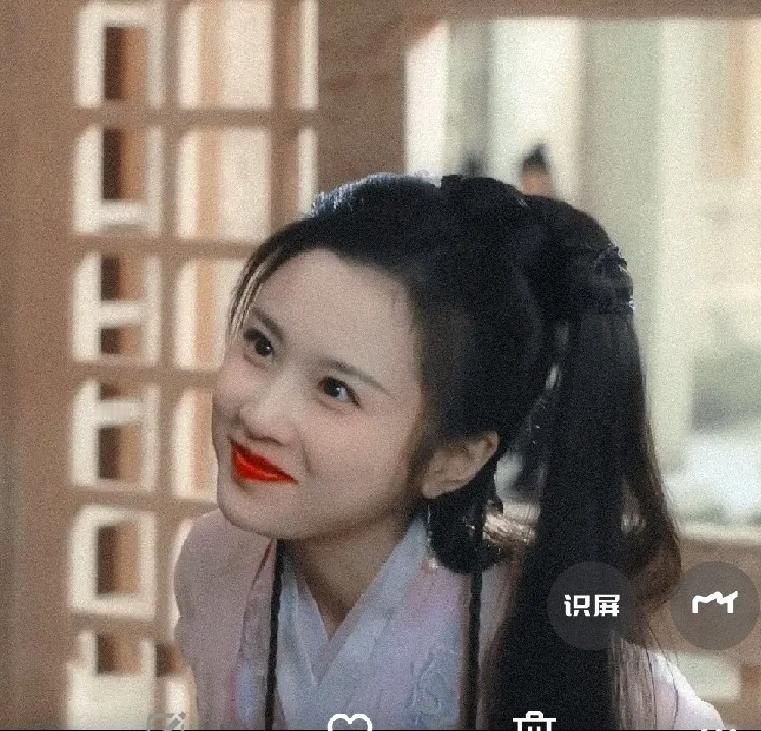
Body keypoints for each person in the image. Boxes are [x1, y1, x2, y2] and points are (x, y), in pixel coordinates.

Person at [173, 173, 725, 729]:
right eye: (261, 345)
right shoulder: (216, 561)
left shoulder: (530, 624)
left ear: (455, 459)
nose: (259, 415)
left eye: (335, 389)